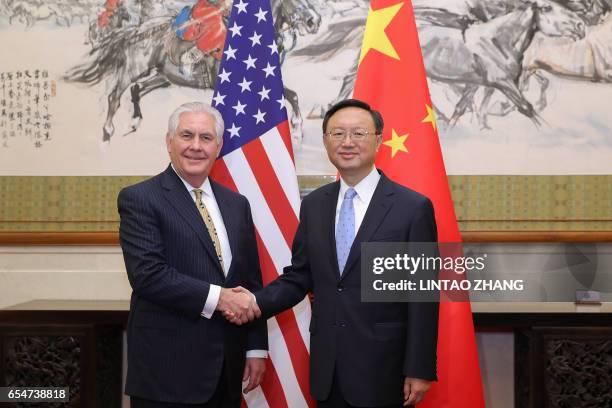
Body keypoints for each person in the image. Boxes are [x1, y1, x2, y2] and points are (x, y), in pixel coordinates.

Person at [229, 99, 439, 407]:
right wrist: (253, 302)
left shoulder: (412, 208)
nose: (348, 142)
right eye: (337, 133)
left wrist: (419, 368)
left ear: (378, 139)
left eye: (358, 133)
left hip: (385, 369)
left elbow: (422, 296)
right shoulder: (314, 205)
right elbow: (300, 276)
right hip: (328, 369)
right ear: (326, 141)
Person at [118, 102, 266, 407]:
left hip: (227, 369)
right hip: (167, 372)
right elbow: (148, 274)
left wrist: (255, 349)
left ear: (219, 146)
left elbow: (250, 280)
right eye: (187, 136)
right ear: (169, 142)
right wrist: (221, 298)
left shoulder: (237, 204)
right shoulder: (140, 198)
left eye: (206, 138)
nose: (196, 146)